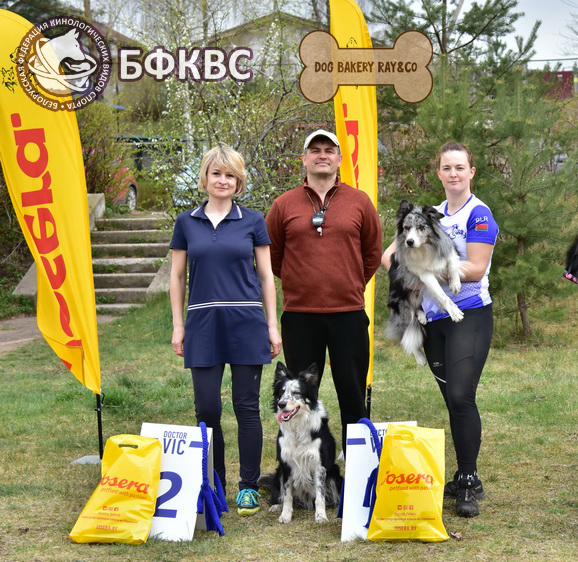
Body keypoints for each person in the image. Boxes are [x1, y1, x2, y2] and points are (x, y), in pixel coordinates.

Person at [382, 141, 499, 518]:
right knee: (452, 400)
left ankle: (468, 479)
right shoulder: (430, 216)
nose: (453, 174)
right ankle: (465, 474)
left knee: (462, 396)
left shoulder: (479, 214)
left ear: (471, 172)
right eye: (447, 168)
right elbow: (389, 257)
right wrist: (410, 272)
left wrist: (427, 268)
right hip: (433, 319)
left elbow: (476, 269)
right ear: (439, 173)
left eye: (460, 167)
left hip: (470, 313)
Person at [169, 144, 282, 516]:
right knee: (207, 409)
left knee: (246, 406)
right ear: (204, 177)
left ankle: (248, 487)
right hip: (203, 324)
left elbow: (266, 277)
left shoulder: (253, 221)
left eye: (230, 175)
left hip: (246, 323)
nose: (222, 180)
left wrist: (272, 326)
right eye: (216, 173)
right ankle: (213, 484)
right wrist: (178, 326)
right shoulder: (186, 222)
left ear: (239, 181)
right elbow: (177, 277)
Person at [265, 130, 382, 449]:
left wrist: (350, 282)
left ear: (340, 159)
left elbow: (372, 252)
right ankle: (303, 465)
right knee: (300, 397)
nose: (322, 155)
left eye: (329, 150)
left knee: (353, 394)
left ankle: (356, 467)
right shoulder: (283, 204)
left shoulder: (359, 202)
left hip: (348, 314)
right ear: (304, 159)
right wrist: (299, 280)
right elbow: (272, 256)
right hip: (300, 316)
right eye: (315, 150)